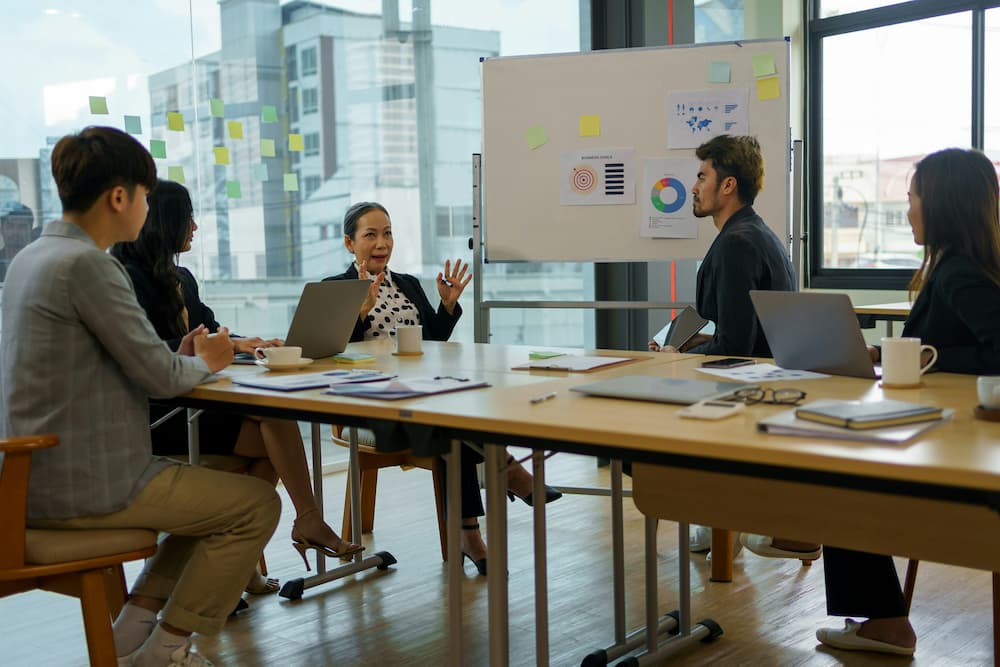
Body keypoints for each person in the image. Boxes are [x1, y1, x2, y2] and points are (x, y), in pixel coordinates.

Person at [0, 126, 279, 667]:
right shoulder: (90, 265)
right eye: (147, 196)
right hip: (89, 483)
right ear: (120, 196)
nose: (149, 208)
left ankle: (129, 637)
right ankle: (167, 651)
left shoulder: (32, 259)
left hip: (31, 478)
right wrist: (208, 360)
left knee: (217, 498)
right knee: (254, 505)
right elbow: (162, 379)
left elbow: (115, 364)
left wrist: (179, 357)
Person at [110, 180, 362, 583]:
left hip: (197, 406)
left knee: (270, 434)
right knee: (272, 426)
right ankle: (288, 530)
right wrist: (202, 345)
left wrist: (245, 341)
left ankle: (238, 558)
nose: (195, 226)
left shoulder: (183, 277)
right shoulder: (126, 280)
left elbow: (208, 328)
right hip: (161, 416)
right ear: (167, 222)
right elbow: (147, 350)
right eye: (189, 217)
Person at [817, 147, 1000, 657]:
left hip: (954, 445)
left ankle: (886, 622)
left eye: (912, 197)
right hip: (952, 433)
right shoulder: (960, 265)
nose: (907, 209)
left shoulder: (959, 271)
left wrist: (927, 354)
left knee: (838, 468)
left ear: (940, 204)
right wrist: (888, 352)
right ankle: (882, 616)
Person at [324, 201, 562, 575]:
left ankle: (471, 532)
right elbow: (329, 350)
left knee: (458, 417)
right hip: (370, 401)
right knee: (453, 422)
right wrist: (358, 310)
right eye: (370, 234)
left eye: (387, 233)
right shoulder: (335, 290)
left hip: (420, 390)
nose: (381, 242)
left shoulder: (407, 284)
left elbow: (431, 340)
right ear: (349, 244)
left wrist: (448, 306)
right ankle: (509, 475)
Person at [647, 135, 815, 560]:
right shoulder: (758, 232)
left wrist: (682, 356)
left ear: (727, 186)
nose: (695, 186)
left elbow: (736, 349)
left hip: (755, 385)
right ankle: (718, 523)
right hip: (775, 376)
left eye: (702, 176)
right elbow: (740, 330)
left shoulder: (736, 244)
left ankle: (726, 520)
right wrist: (691, 343)